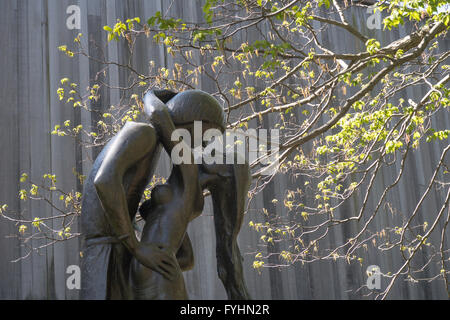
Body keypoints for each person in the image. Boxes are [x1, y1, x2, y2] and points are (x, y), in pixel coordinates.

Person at [80, 89, 225, 299]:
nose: (202, 144)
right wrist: (136, 248)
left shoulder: (158, 149)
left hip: (118, 250)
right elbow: (104, 180)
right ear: (189, 123)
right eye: (206, 134)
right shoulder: (144, 133)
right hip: (112, 250)